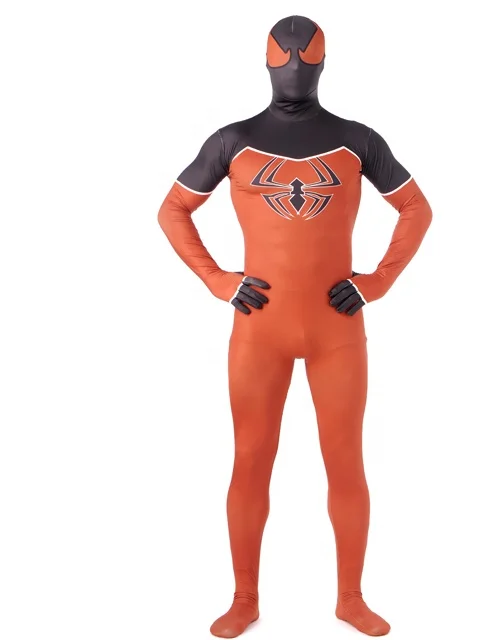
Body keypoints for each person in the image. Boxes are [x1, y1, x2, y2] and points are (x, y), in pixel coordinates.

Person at [158, 15, 432, 638]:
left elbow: (416, 208)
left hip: (337, 331)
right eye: (284, 60)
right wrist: (218, 280)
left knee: (346, 461)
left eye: (304, 60)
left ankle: (350, 598)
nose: (294, 69)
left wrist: (377, 282)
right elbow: (173, 209)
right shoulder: (232, 140)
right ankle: (245, 598)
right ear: (266, 63)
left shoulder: (357, 140)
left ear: (322, 64)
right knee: (251, 459)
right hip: (260, 330)